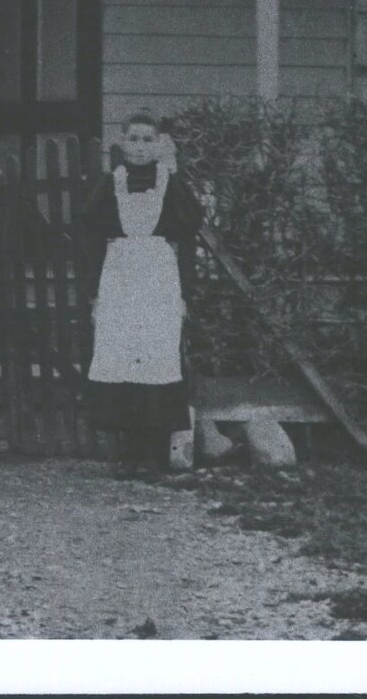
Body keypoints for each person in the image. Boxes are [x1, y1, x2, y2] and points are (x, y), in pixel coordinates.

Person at [76, 111, 204, 469]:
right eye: (134, 139)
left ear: (160, 145)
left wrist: (184, 294)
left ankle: (154, 453)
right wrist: (93, 292)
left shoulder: (171, 185)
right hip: (119, 277)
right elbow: (89, 239)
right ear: (122, 143)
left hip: (159, 277)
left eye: (148, 140)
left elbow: (189, 234)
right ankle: (127, 454)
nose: (141, 147)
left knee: (157, 353)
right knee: (122, 353)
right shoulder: (109, 184)